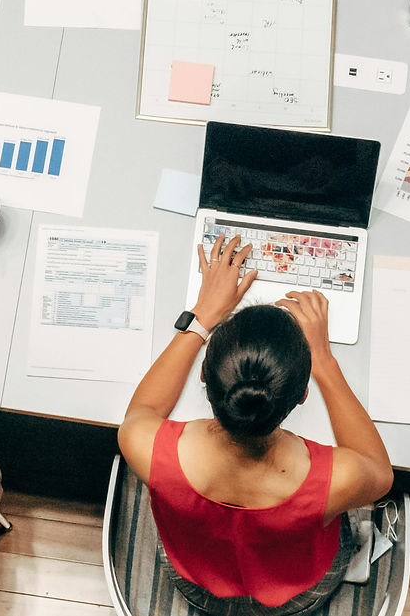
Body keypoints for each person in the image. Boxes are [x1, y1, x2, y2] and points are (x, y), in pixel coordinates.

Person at [118, 233, 394, 615]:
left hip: (196, 583)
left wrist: (202, 318)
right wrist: (325, 362)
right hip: (297, 593)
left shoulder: (147, 447)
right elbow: (380, 472)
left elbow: (143, 408)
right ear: (301, 395)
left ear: (203, 376)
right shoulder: (334, 480)